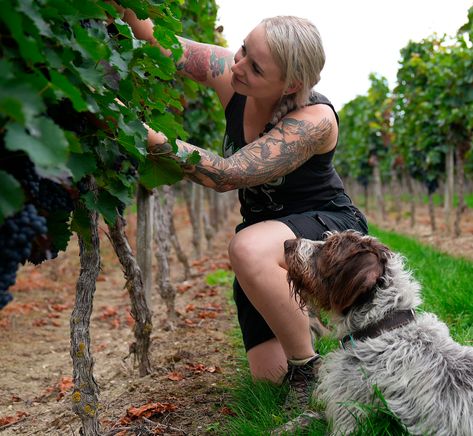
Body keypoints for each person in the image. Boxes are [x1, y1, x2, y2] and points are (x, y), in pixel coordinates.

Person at [117, 7, 368, 410]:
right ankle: (302, 319)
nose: (238, 66)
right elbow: (163, 43)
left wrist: (141, 133)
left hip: (327, 230)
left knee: (246, 249)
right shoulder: (229, 72)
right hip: (264, 234)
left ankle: (308, 367)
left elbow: (229, 174)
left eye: (256, 68)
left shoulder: (314, 120)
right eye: (242, 50)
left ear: (291, 84)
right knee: (267, 382)